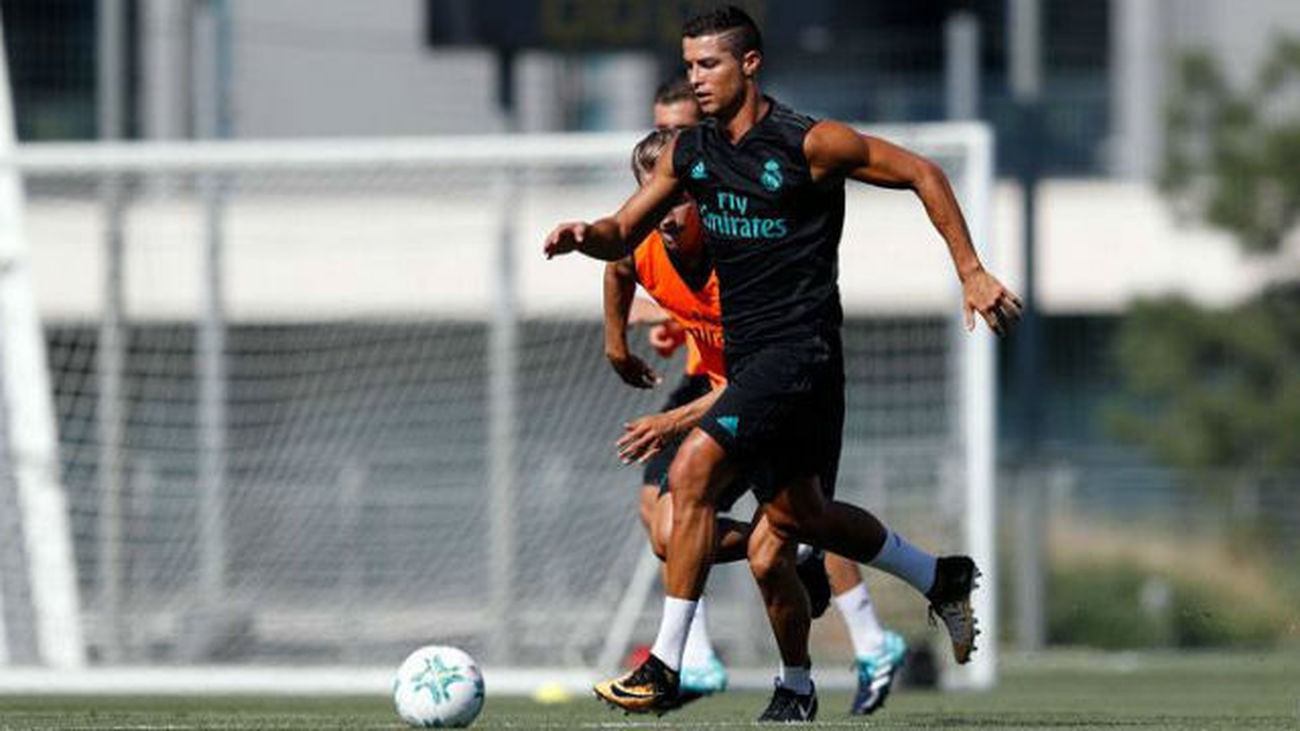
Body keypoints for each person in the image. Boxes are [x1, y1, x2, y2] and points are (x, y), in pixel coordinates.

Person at [545, 5, 1021, 720]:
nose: (697, 78)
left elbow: (923, 170)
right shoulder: (693, 154)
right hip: (759, 363)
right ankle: (931, 583)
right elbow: (622, 232)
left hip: (801, 355)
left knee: (691, 473)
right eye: (692, 64)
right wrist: (588, 234)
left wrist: (972, 270)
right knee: (792, 528)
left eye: (709, 64)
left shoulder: (810, 144)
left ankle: (668, 662)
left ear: (750, 64)